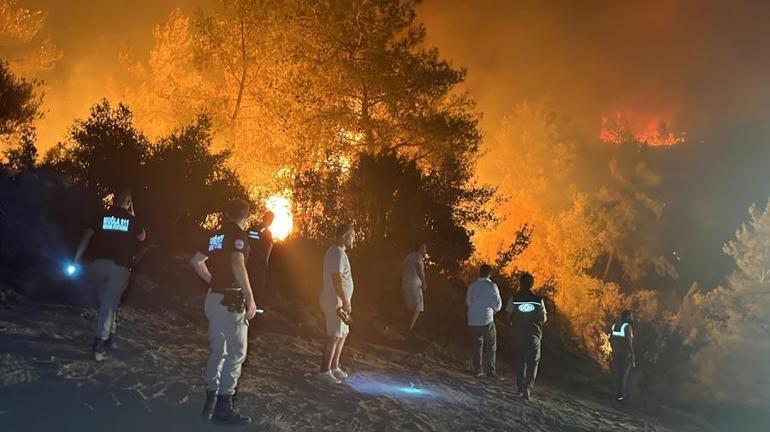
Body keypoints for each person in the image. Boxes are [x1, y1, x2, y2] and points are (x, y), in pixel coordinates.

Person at [189, 199, 257, 426]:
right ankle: (223, 408)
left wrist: (212, 281)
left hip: (214, 298)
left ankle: (209, 402)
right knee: (237, 352)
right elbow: (238, 263)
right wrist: (249, 296)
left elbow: (196, 261)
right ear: (245, 217)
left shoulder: (215, 236)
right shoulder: (239, 236)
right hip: (230, 302)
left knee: (218, 350)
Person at [74, 189, 145, 361]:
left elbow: (87, 236)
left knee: (106, 301)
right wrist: (132, 213)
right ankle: (100, 344)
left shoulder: (102, 215)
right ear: (128, 204)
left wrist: (77, 256)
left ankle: (110, 337)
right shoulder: (132, 220)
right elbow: (142, 237)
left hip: (98, 265)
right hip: (119, 268)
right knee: (109, 303)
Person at [319, 223, 356, 384]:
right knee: (333, 335)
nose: (354, 238)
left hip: (339, 300)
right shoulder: (337, 253)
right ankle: (324, 370)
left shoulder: (340, 253)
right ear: (344, 236)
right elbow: (336, 278)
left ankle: (334, 366)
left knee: (343, 333)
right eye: (352, 235)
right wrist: (345, 300)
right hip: (335, 300)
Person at [506, 272, 547, 400]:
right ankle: (527, 389)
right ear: (532, 284)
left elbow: (507, 315)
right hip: (534, 335)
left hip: (518, 334)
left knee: (520, 361)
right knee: (533, 362)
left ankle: (520, 387)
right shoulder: (538, 300)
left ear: (520, 283)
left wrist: (513, 323)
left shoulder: (514, 298)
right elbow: (544, 318)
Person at [466, 264, 502, 378]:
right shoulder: (492, 286)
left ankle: (478, 370)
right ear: (490, 274)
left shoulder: (472, 285)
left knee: (477, 345)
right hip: (486, 319)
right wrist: (493, 309)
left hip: (473, 319)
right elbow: (498, 305)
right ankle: (491, 371)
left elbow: (468, 302)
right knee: (491, 346)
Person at [247, 210, 275, 309]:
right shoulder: (267, 233)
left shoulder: (251, 229)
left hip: (248, 263)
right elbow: (268, 250)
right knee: (258, 289)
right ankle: (255, 313)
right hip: (259, 266)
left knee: (248, 286)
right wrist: (265, 264)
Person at [610, 309, 636, 402]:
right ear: (628, 316)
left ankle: (615, 393)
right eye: (631, 316)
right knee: (623, 376)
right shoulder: (627, 326)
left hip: (616, 353)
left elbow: (611, 339)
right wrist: (632, 355)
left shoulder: (615, 325)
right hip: (625, 355)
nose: (632, 317)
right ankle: (621, 396)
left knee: (617, 375)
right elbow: (628, 342)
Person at [402, 242, 427, 332]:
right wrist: (424, 282)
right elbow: (418, 267)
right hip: (414, 284)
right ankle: (409, 328)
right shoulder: (417, 256)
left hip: (407, 282)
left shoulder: (409, 256)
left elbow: (404, 266)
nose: (425, 250)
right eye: (424, 248)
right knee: (417, 306)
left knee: (412, 305)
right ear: (419, 248)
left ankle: (409, 326)